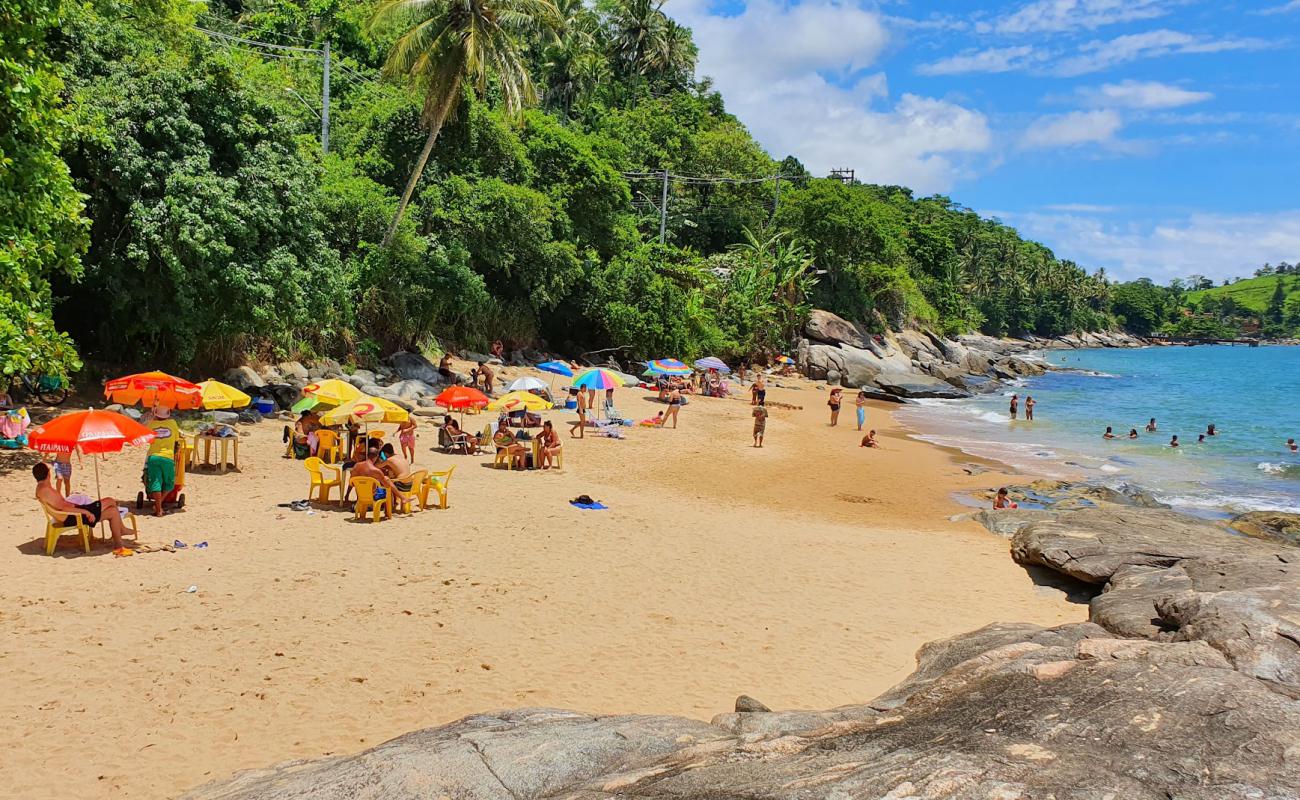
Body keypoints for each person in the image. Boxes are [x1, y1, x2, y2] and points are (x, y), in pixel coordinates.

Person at [34, 462, 134, 550]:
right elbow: (63, 508)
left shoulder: (41, 488)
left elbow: (61, 506)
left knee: (112, 511)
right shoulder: (47, 491)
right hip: (74, 516)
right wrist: (86, 512)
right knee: (110, 501)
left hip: (73, 513)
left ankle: (119, 543)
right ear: (48, 474)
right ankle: (121, 531)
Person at [145, 405, 182, 517]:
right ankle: (158, 506)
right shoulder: (172, 423)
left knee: (156, 482)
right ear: (168, 414)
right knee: (170, 483)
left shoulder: (151, 424)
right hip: (167, 457)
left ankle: (158, 508)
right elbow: (177, 440)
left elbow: (147, 439)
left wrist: (153, 419)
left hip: (153, 457)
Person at [378, 443, 414, 511]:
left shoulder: (389, 460)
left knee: (386, 480)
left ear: (386, 453)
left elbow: (377, 466)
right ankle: (396, 502)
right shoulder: (399, 456)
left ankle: (398, 500)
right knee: (392, 477)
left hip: (402, 485)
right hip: (410, 484)